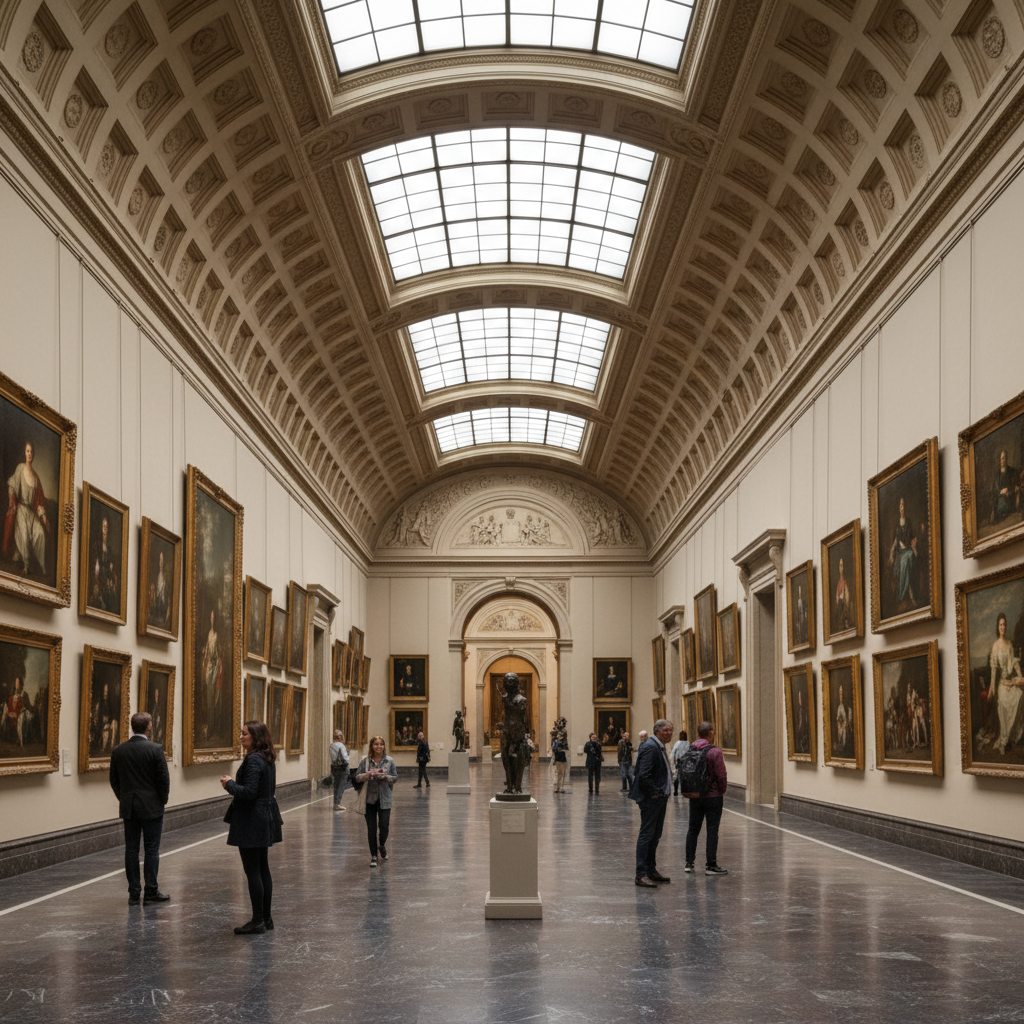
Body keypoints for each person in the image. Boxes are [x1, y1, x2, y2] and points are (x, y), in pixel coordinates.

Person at [220, 721, 283, 935]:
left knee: (253, 870)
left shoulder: (254, 759)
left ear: (255, 736)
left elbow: (248, 792)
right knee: (262, 868)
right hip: (264, 816)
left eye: (244, 733)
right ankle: (266, 918)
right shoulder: (267, 757)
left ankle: (258, 920)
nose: (241, 737)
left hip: (252, 819)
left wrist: (229, 784)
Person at [109, 711, 170, 906]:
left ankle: (134, 894)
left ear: (132, 727)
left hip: (130, 807)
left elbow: (114, 780)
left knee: (131, 850)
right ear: (149, 726)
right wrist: (162, 800)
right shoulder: (155, 749)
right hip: (152, 807)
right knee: (151, 849)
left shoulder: (119, 750)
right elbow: (163, 780)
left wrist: (124, 798)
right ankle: (151, 891)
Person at [630, 718, 673, 887]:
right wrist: (656, 793)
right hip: (651, 799)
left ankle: (651, 870)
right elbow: (643, 774)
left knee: (655, 836)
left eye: (671, 730)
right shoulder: (650, 747)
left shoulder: (658, 746)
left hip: (659, 798)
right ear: (657, 731)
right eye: (666, 730)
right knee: (647, 835)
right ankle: (641, 874)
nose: (669, 733)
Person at [684, 721, 728, 876]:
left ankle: (689, 862)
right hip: (712, 796)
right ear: (710, 733)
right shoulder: (715, 751)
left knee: (693, 829)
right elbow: (721, 775)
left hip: (695, 795)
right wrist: (720, 791)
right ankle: (711, 865)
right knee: (712, 830)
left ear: (698, 734)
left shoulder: (691, 748)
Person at [3, 440, 49, 578]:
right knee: (24, 534)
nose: (30, 454)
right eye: (27, 451)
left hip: (31, 512)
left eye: (31, 452)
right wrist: (12, 503)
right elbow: (12, 485)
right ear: (25, 452)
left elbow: (39, 500)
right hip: (21, 510)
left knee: (40, 532)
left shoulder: (35, 476)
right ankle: (26, 565)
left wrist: (43, 515)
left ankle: (42, 566)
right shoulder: (20, 468)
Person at [355, 735, 398, 866]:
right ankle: (373, 855)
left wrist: (385, 776)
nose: (378, 746)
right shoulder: (366, 761)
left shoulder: (389, 761)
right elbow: (357, 777)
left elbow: (395, 777)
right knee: (371, 828)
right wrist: (367, 775)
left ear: (384, 746)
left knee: (384, 826)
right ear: (372, 746)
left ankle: (382, 845)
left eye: (381, 744)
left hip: (385, 798)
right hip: (370, 799)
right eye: (376, 744)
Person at [989, 613, 1024, 754]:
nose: (1003, 627)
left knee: (1020, 695)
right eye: (1000, 624)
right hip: (1002, 685)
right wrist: (992, 688)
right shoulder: (995, 646)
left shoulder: (1009, 644)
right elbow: (993, 669)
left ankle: (1013, 735)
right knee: (1003, 705)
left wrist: (1020, 676)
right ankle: (1004, 739)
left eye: (1004, 624)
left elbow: (1014, 663)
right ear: (997, 627)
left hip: (1009, 682)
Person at [888, 496, 919, 607]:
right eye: (900, 505)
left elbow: (913, 537)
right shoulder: (897, 524)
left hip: (908, 549)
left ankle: (911, 593)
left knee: (910, 556)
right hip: (901, 553)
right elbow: (896, 540)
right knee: (904, 559)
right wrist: (891, 554)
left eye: (903, 505)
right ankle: (904, 594)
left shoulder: (909, 522)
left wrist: (914, 545)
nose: (902, 507)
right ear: (898, 507)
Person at [991, 449, 1020, 523]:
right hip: (1000, 497)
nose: (1002, 460)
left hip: (1010, 497)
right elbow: (995, 488)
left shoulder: (1012, 471)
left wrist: (1008, 491)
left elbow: (1015, 486)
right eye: (1001, 459)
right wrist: (1001, 491)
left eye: (1004, 458)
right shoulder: (997, 474)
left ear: (1007, 459)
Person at [330, 729, 349, 810]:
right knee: (341, 785)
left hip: (334, 767)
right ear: (342, 738)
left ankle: (335, 802)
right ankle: (337, 803)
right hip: (342, 768)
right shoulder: (341, 746)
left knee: (336, 785)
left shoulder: (331, 746)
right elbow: (345, 758)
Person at [834, 556, 852, 632]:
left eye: (842, 565)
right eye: (840, 566)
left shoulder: (847, 582)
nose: (841, 568)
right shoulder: (839, 582)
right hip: (840, 609)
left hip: (845, 611)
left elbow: (848, 600)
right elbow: (837, 599)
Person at [670, 731, 690, 795]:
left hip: (678, 762)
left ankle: (676, 790)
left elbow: (672, 754)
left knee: (676, 776)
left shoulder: (677, 743)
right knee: (685, 776)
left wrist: (672, 763)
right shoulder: (688, 743)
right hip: (686, 762)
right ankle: (685, 789)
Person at [835, 685, 850, 755]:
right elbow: (838, 720)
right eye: (839, 694)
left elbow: (848, 722)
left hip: (846, 731)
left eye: (842, 694)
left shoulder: (848, 709)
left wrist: (846, 724)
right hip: (841, 731)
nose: (841, 696)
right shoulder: (839, 707)